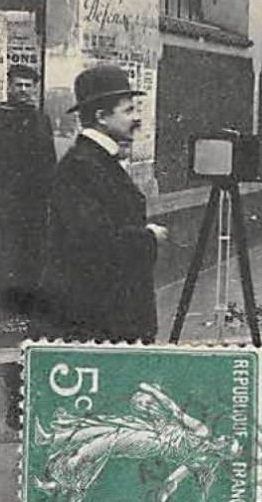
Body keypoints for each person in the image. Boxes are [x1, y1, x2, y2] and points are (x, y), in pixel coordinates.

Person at [36, 64, 168, 343]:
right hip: (95, 318)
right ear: (101, 117)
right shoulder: (81, 166)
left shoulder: (97, 161)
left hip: (108, 312)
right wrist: (149, 237)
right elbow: (94, 241)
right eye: (129, 111)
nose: (137, 119)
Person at [0, 65, 57, 320]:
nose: (23, 90)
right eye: (19, 85)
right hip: (4, 205)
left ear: (35, 89)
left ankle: (25, 313)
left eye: (28, 86)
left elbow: (49, 161)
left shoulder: (41, 119)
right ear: (9, 86)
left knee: (31, 256)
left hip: (34, 206)